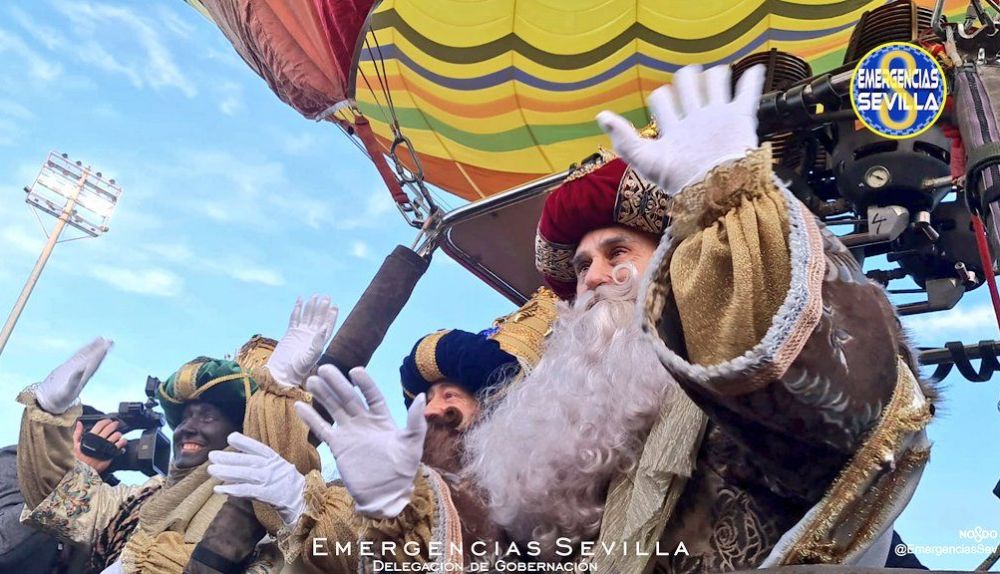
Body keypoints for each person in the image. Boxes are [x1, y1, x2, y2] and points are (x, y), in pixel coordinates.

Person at [460, 63, 937, 572]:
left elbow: (834, 410)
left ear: (676, 267)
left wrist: (729, 202)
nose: (593, 277)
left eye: (617, 252)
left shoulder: (733, 399)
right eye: (580, 266)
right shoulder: (562, 438)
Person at [206, 288, 557, 572]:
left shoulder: (530, 507)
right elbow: (272, 477)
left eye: (451, 396)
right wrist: (280, 386)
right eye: (426, 399)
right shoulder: (392, 487)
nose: (431, 410)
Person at [16, 295, 337, 574]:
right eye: (184, 417)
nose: (187, 428)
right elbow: (63, 500)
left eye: (208, 416)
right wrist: (48, 413)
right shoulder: (147, 499)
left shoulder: (277, 507)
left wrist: (302, 514)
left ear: (240, 428)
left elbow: (342, 557)